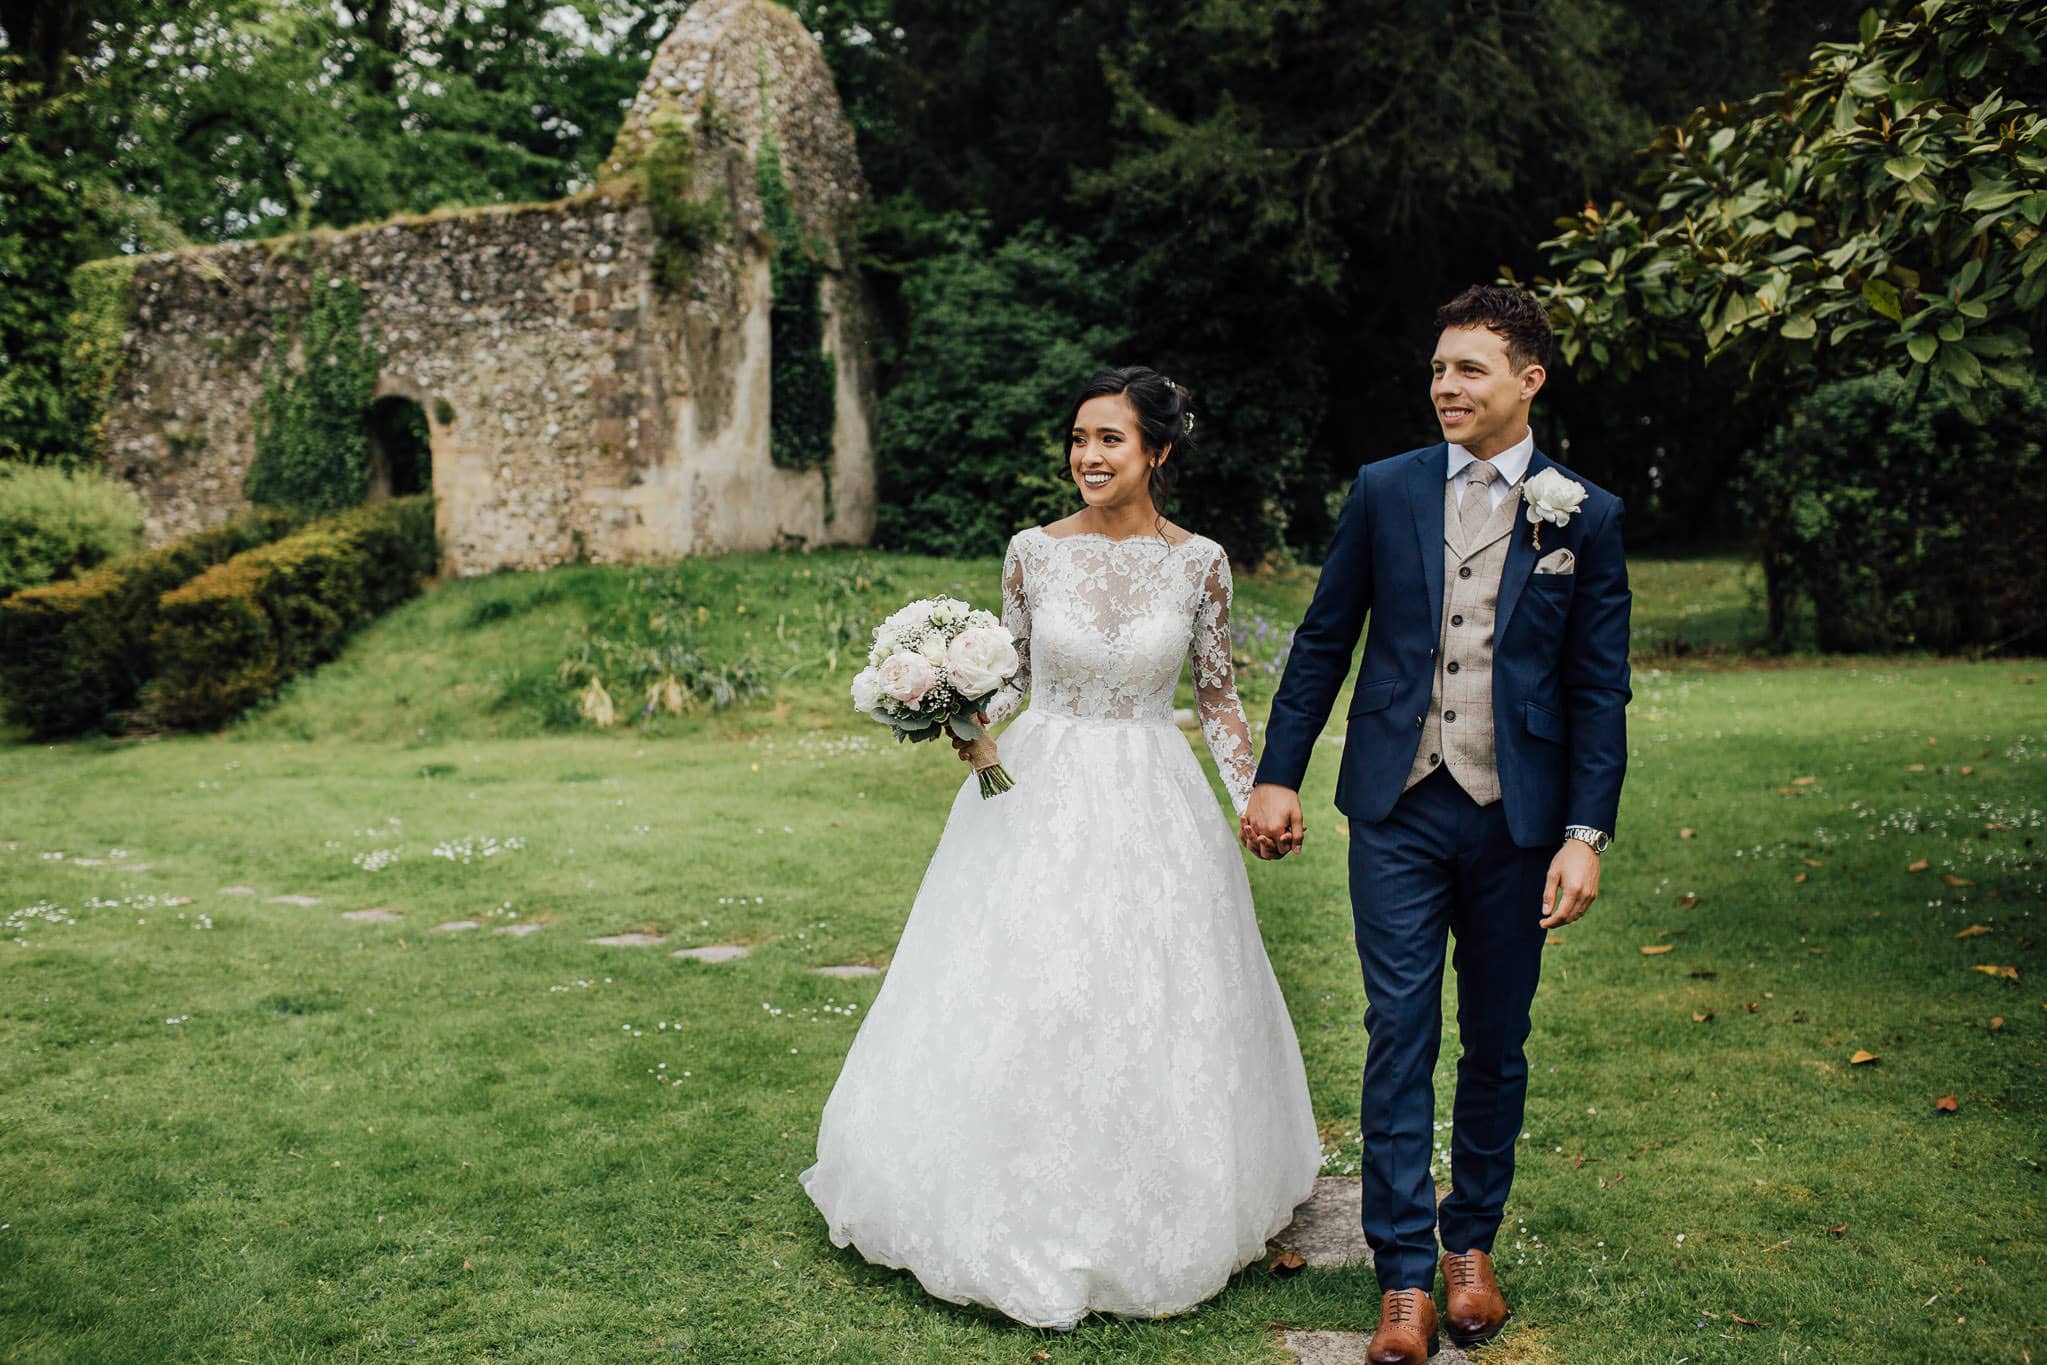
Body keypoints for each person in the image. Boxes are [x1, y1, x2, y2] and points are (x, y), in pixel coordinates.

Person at [799, 365, 1321, 1330]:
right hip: (1037, 788)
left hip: (1153, 794)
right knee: (1026, 984)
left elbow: (1213, 696)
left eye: (1109, 439)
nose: (1087, 455)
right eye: (1079, 439)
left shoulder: (1199, 561)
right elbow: (1019, 677)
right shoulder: (1031, 552)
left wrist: (1255, 798)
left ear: (1157, 451)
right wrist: (953, 701)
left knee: (1151, 992)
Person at [1241, 285, 1631, 1364]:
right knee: (1398, 1033)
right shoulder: (1386, 490)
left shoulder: (1581, 513)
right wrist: (1277, 775)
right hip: (1398, 807)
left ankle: (1473, 1245)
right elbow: (1323, 640)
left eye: (1468, 369)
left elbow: (1600, 691)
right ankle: (1403, 1276)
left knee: (1496, 1042)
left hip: (1518, 819)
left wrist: (1584, 835)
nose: (1444, 387)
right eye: (1436, 369)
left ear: (1528, 381)